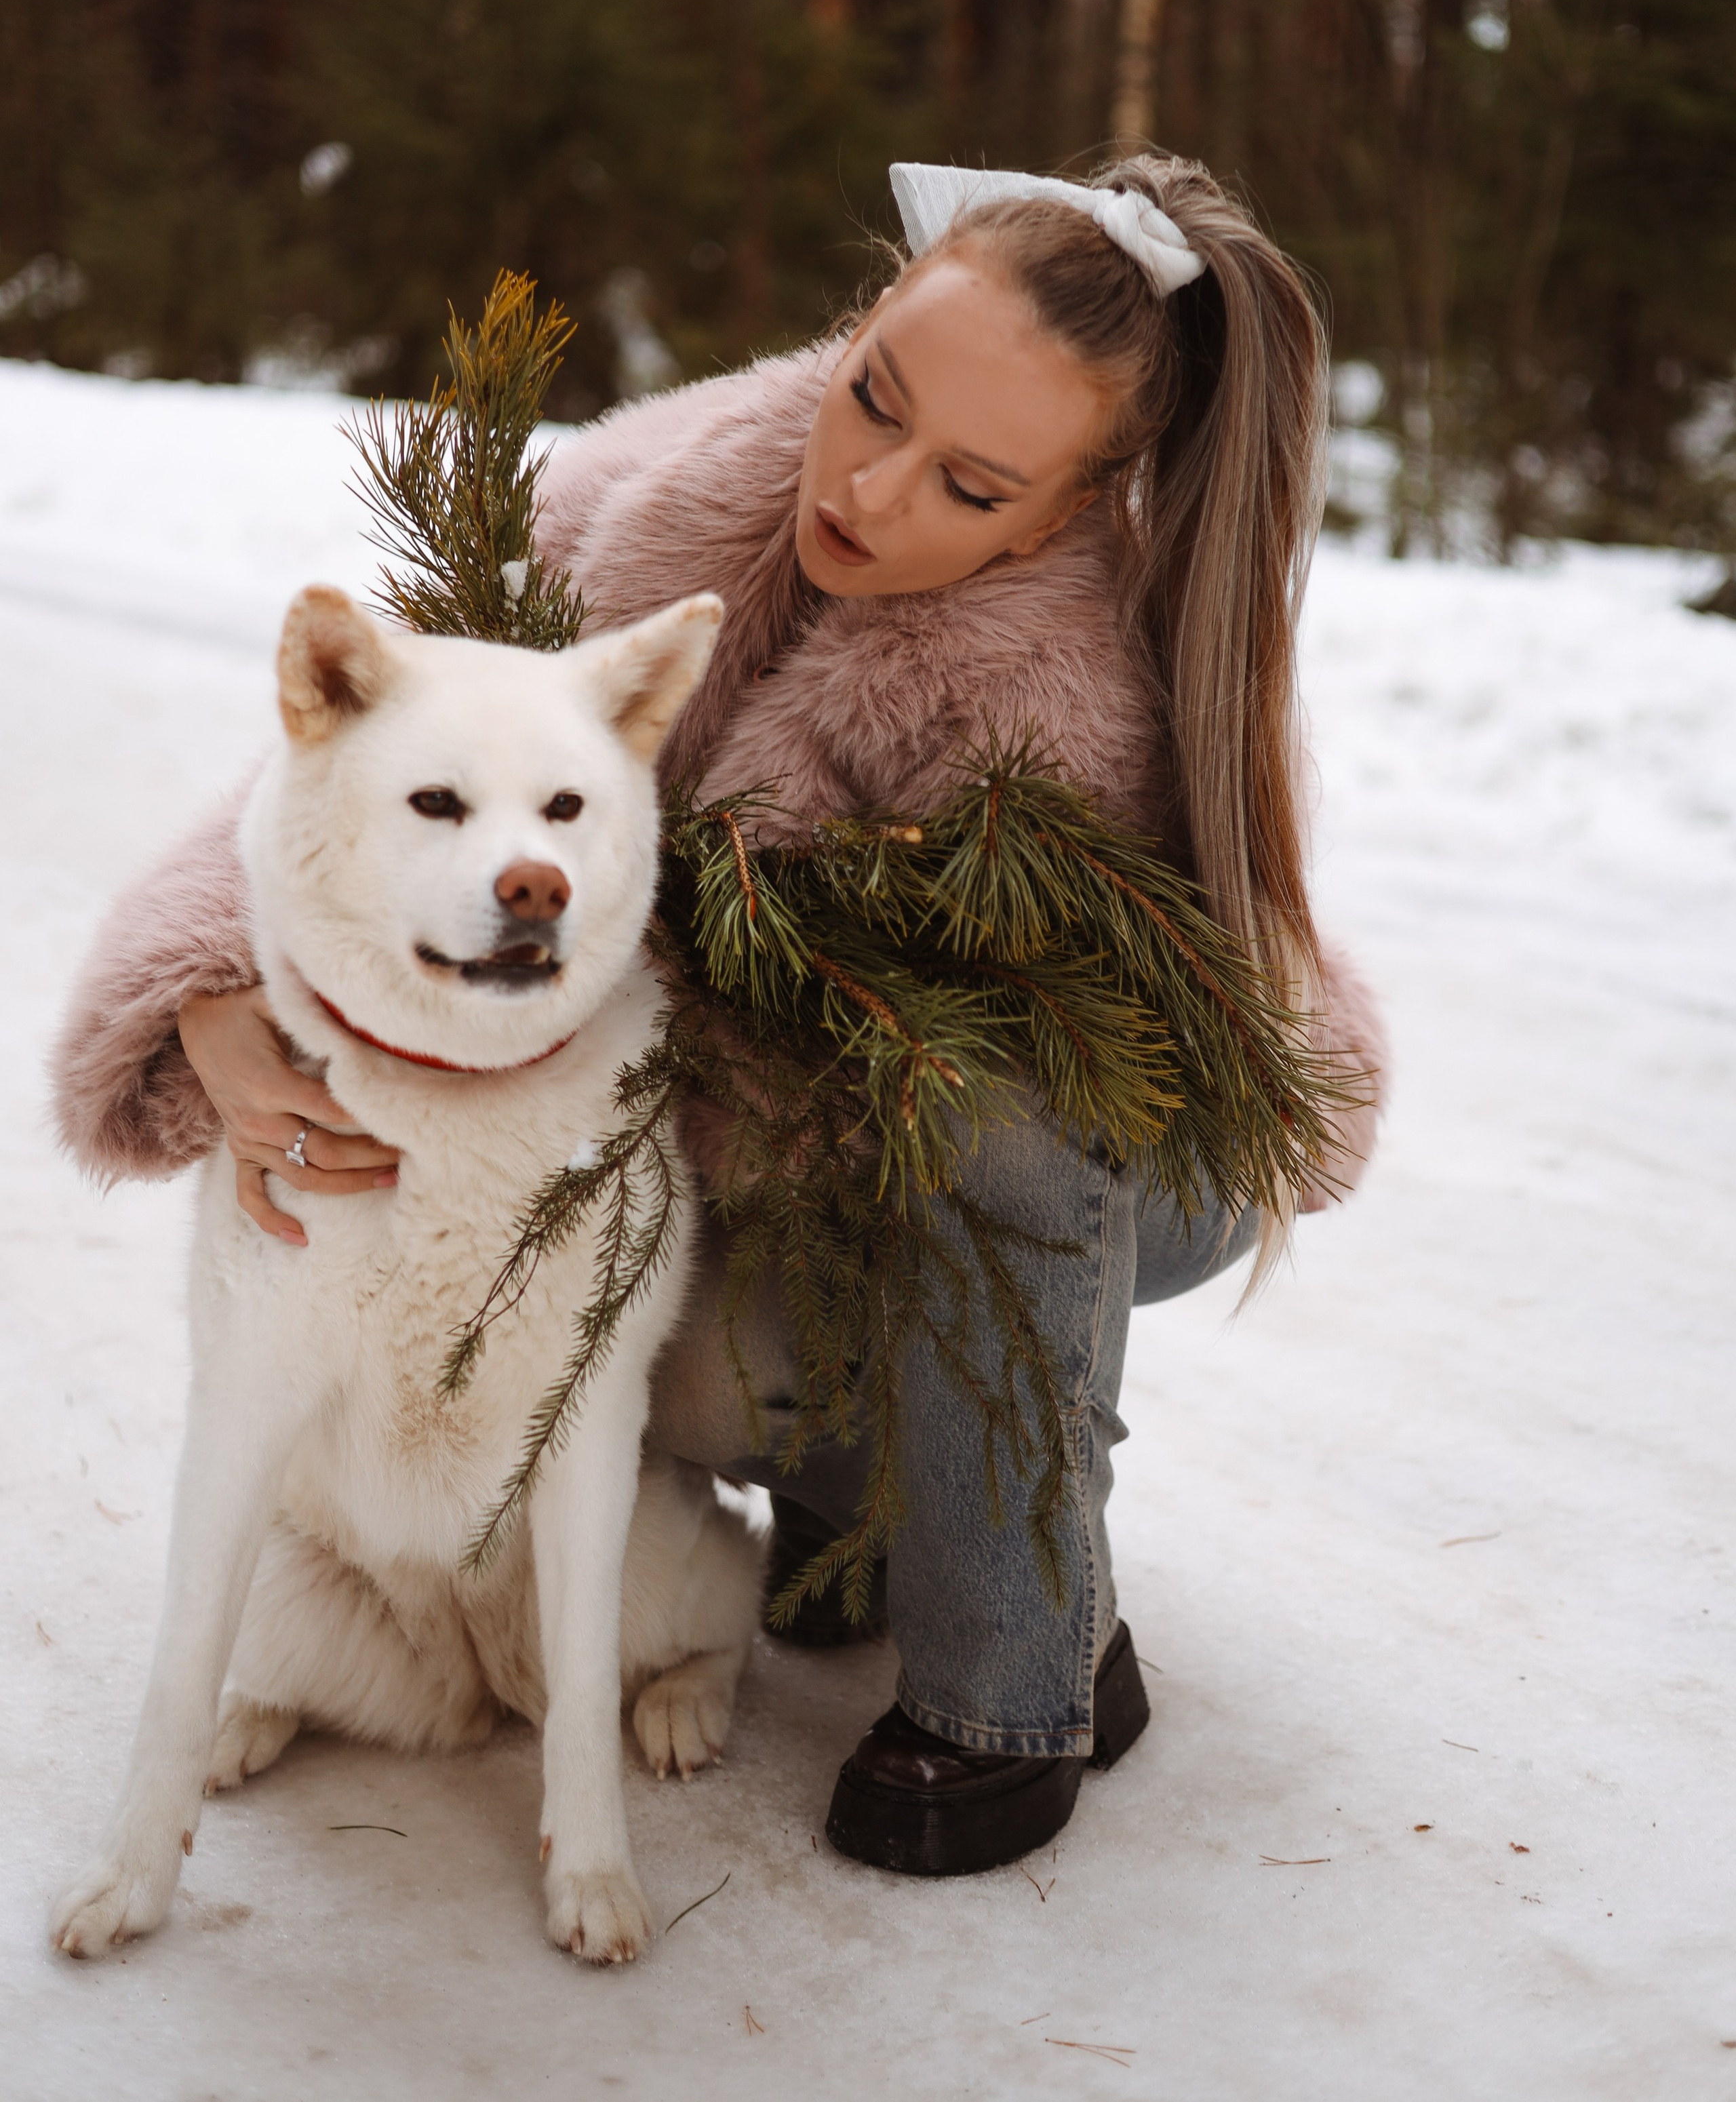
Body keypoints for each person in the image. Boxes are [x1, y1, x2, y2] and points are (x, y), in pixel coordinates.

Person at [52, 151, 1387, 1881]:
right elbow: (386, 749)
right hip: (803, 1142)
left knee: (915, 1159)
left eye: (966, 483)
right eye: (872, 399)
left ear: (1063, 514)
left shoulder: (1064, 697)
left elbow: (913, 1089)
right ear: (853, 327)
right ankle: (862, 1513)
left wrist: (536, 1056)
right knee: (615, 1345)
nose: (873, 483)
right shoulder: (679, 480)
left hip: (1121, 1143)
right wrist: (215, 1001)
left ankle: (1019, 1677)